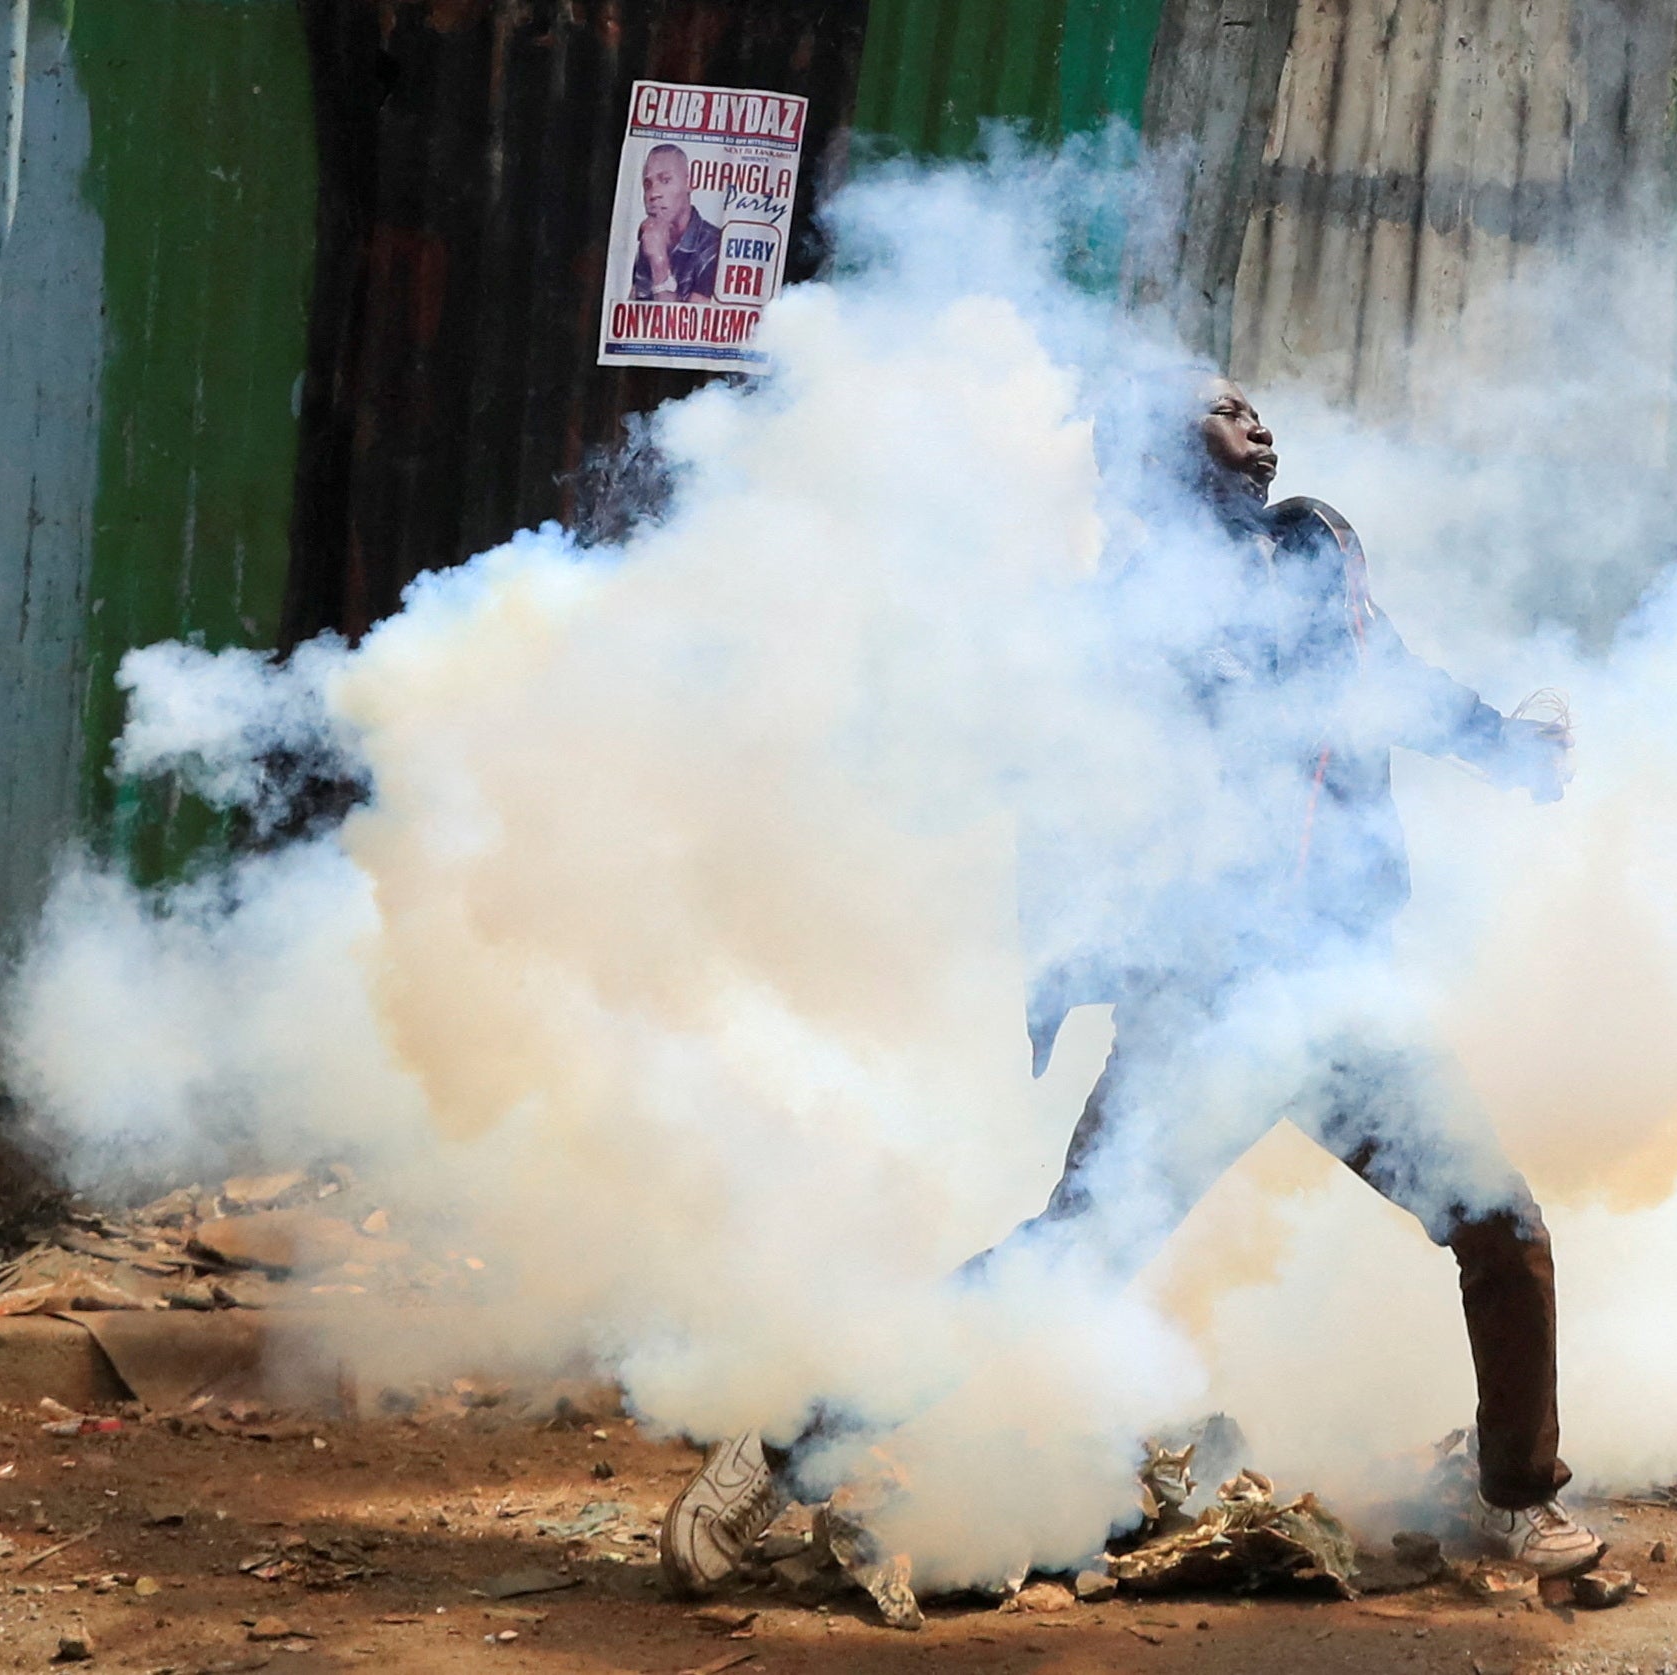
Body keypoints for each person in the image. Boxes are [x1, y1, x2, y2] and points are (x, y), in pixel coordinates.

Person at [660, 376, 1597, 1594]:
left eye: (1257, 408)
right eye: (1223, 408)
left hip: (1334, 995)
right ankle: (777, 1450)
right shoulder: (1111, 618)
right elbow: (1053, 793)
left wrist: (1504, 750)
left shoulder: (1313, 547)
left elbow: (1391, 683)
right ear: (1159, 450)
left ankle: (1515, 1501)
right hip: (1199, 1009)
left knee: (1502, 1228)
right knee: (1063, 1263)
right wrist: (1065, 967)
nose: (1257, 423)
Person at [629, 143, 722, 303]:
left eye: (665, 180)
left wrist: (659, 262)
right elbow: (632, 316)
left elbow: (683, 326)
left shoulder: (714, 246)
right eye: (647, 185)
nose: (653, 194)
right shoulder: (651, 240)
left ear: (689, 183)